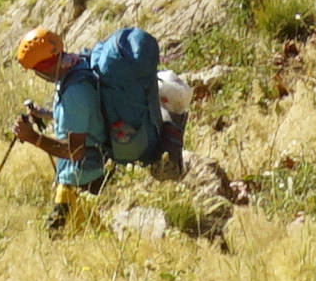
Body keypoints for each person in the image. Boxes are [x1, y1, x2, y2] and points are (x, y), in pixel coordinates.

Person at [15, 23, 193, 225]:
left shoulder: (74, 92)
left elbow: (75, 152)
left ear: (42, 69)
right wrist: (46, 114)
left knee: (59, 234)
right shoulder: (79, 64)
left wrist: (33, 138)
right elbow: (86, 118)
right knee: (88, 233)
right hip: (93, 171)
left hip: (81, 177)